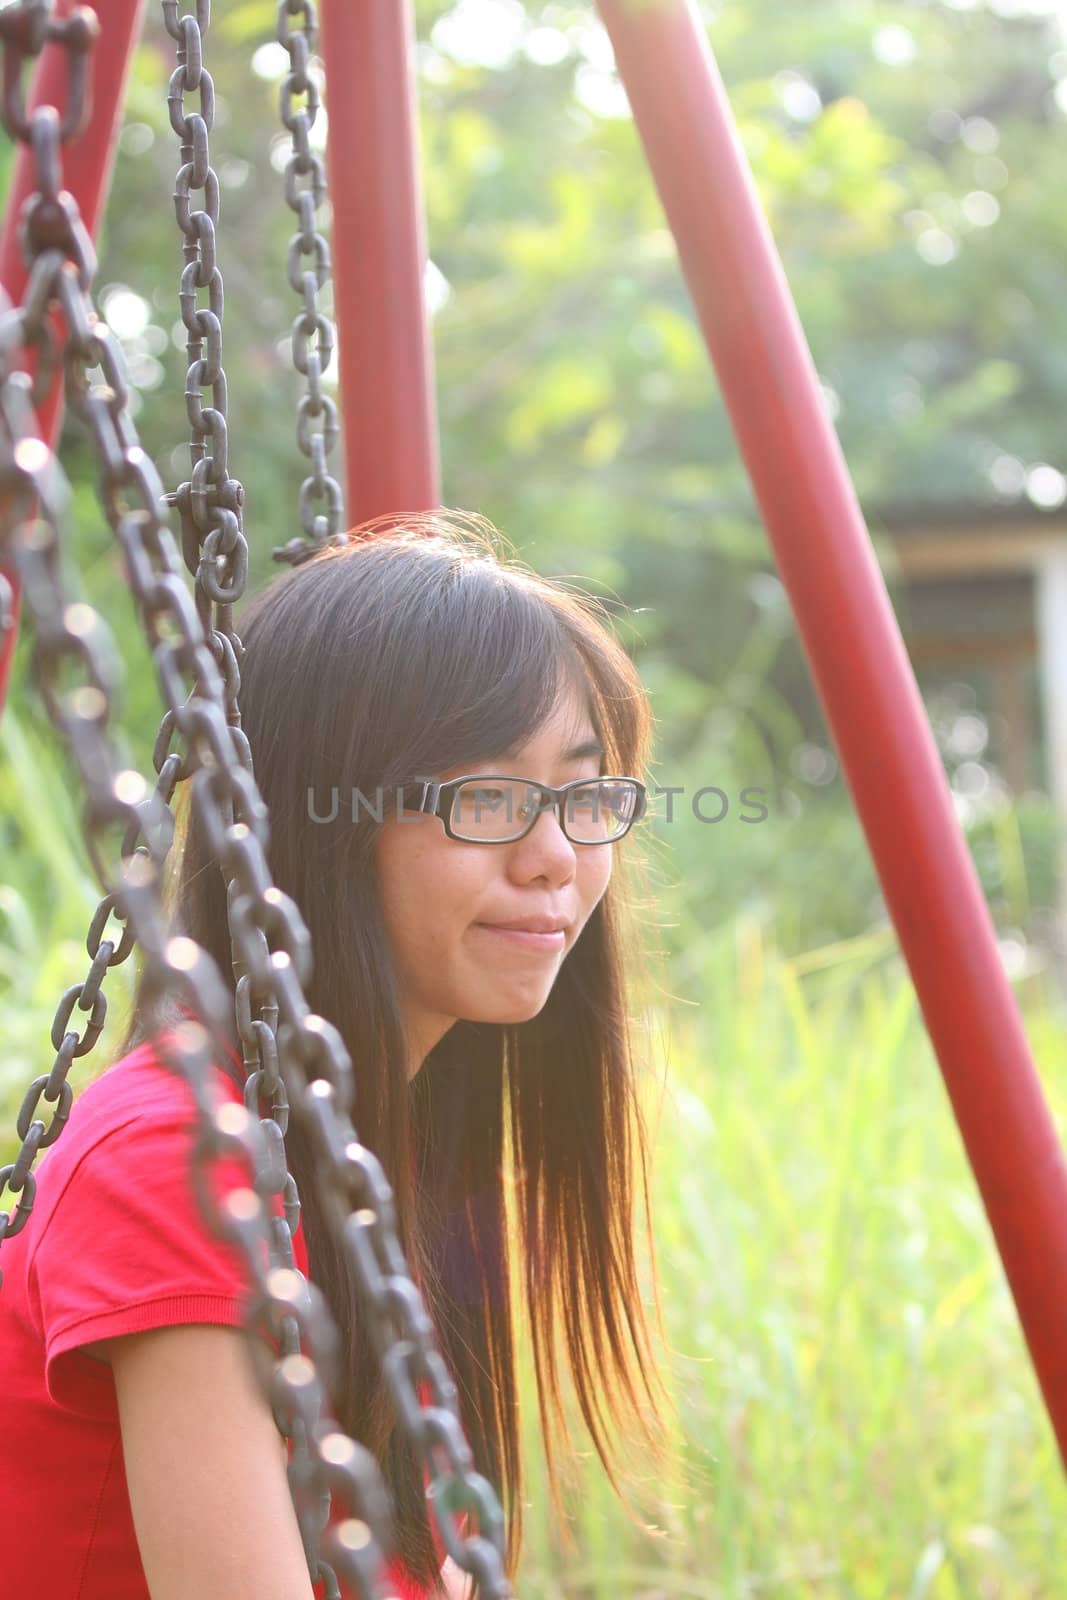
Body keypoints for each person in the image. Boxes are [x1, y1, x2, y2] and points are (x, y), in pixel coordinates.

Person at [0, 511, 675, 1599]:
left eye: (583, 795)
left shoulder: (382, 1154)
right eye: (487, 798)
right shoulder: (180, 1158)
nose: (555, 858)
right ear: (317, 825)